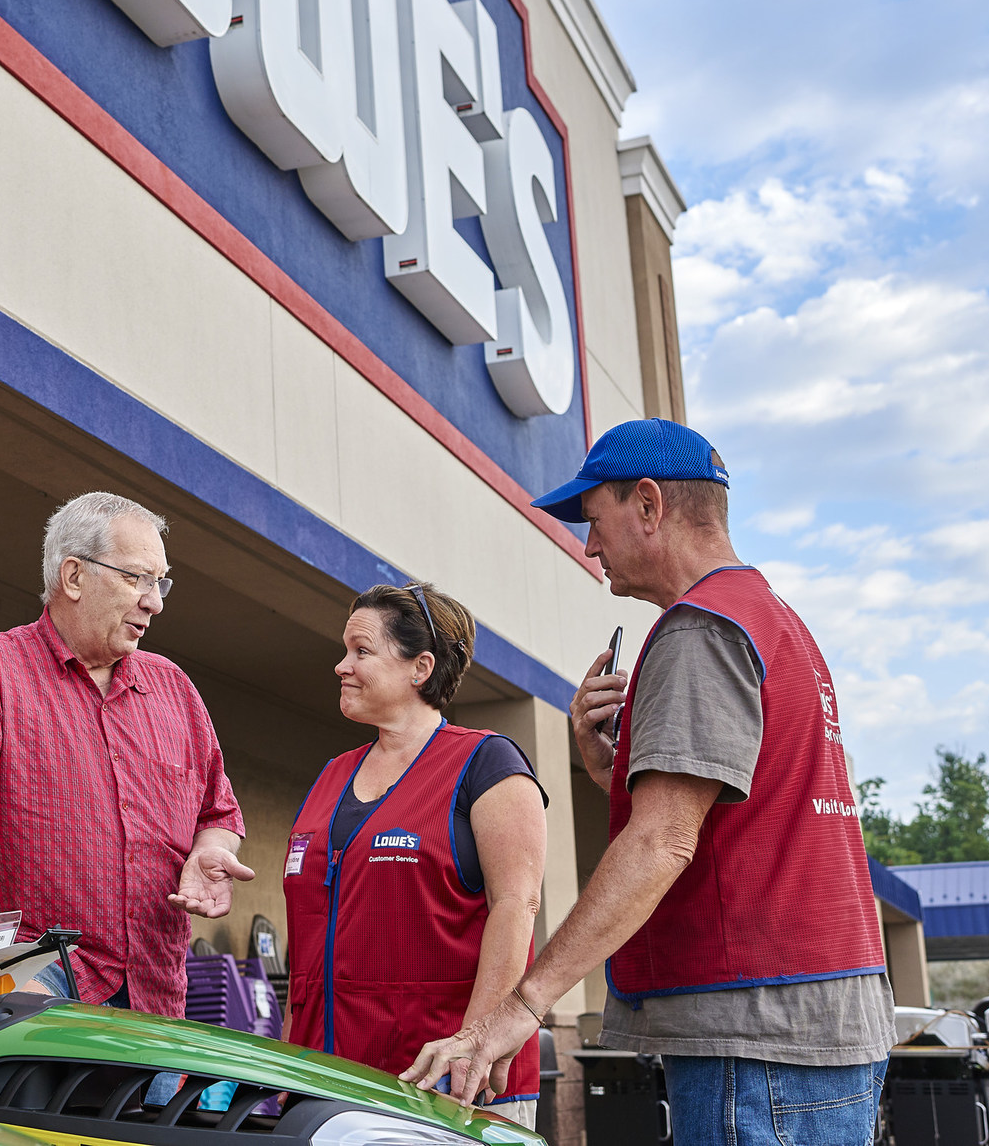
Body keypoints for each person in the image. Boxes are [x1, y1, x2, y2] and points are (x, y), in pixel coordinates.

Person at [401, 419, 891, 1146]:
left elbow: (665, 840)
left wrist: (521, 1006)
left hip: (756, 1040)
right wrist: (610, 770)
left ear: (651, 506)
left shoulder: (700, 630)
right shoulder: (774, 622)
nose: (590, 546)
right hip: (814, 1025)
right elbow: (735, 823)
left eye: (594, 521)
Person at [0, 492, 251, 1018]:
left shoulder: (175, 689)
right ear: (72, 577)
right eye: (138, 578)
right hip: (36, 970)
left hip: (155, 988)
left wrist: (209, 851)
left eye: (160, 583)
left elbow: (218, 812)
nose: (154, 602)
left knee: (154, 1107)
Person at [282, 582, 548, 1120]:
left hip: (444, 1085)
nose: (341, 665)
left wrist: (473, 1047)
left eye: (361, 651)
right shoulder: (332, 775)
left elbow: (516, 909)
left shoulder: (486, 764)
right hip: (327, 1081)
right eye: (344, 650)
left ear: (420, 668)